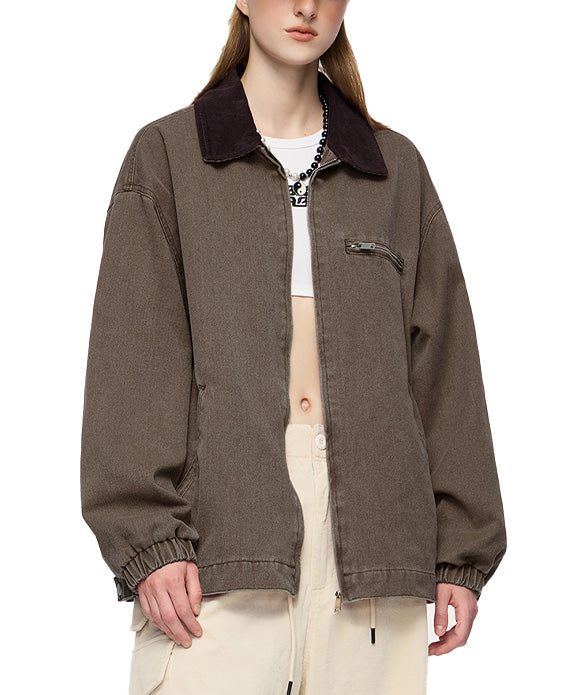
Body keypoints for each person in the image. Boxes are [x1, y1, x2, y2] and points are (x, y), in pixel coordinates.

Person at [80, 1, 507, 693]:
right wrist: (148, 540)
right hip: (220, 538)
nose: (307, 5)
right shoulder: (169, 157)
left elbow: (445, 364)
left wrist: (461, 549)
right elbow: (133, 358)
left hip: (377, 546)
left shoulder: (394, 169)